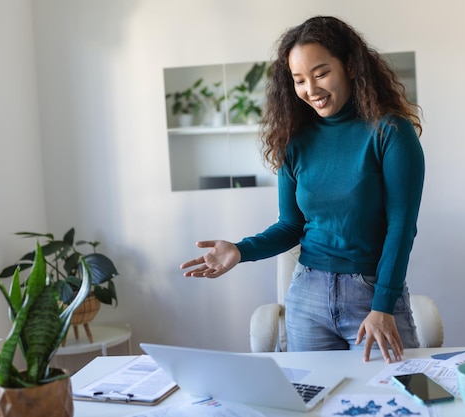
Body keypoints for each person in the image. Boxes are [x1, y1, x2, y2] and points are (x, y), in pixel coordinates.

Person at [181, 15, 425, 364]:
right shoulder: (295, 140)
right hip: (307, 297)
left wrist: (383, 305)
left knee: (396, 396)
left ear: (351, 66)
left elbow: (401, 227)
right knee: (309, 403)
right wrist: (239, 250)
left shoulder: (389, 132)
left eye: (321, 73)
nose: (310, 89)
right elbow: (291, 226)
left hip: (371, 296)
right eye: (299, 80)